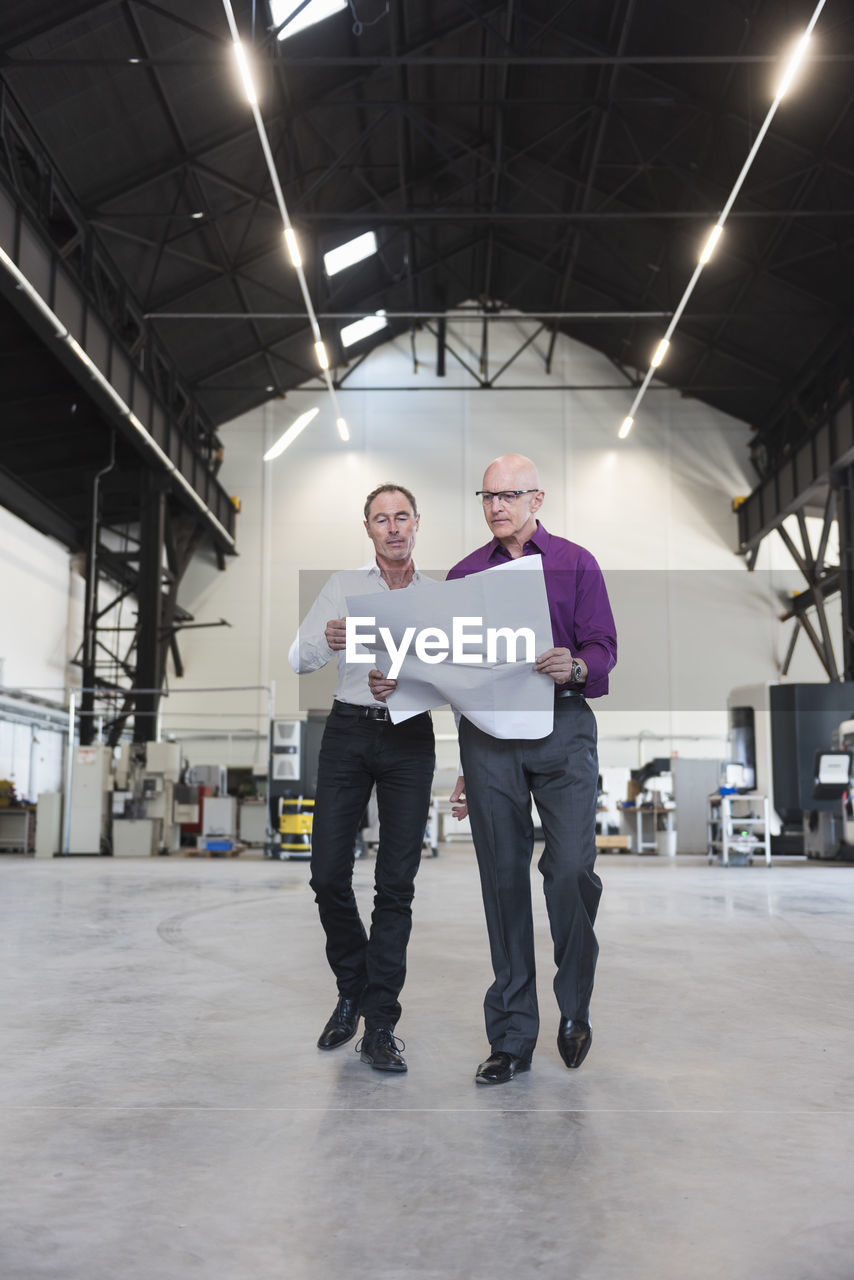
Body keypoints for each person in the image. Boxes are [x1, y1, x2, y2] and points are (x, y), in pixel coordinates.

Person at [370, 454, 617, 1085]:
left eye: (509, 495)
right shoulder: (465, 577)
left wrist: (577, 666)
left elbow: (603, 646)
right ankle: (511, 1038)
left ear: (538, 499)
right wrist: (406, 690)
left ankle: (576, 1005)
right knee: (502, 882)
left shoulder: (576, 563)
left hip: (562, 727)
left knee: (568, 871)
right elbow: (452, 668)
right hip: (488, 739)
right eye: (488, 496)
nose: (497, 506)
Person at [289, 484, 435, 1073]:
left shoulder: (438, 597)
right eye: (382, 519)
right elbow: (297, 658)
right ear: (368, 529)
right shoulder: (343, 588)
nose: (393, 527)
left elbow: (454, 674)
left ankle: (379, 1024)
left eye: (402, 517)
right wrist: (325, 641)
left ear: (416, 523)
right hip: (348, 732)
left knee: (395, 886)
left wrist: (411, 684)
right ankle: (352, 986)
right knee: (328, 874)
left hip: (409, 737)